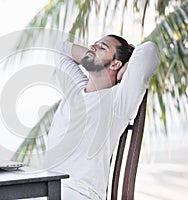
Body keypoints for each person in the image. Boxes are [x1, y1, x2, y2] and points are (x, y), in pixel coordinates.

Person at [44, 35, 160, 200]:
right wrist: (93, 55)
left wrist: (124, 71)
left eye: (102, 47)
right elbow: (60, 49)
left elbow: (149, 51)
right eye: (94, 45)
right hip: (46, 187)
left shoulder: (118, 101)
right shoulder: (75, 88)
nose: (92, 47)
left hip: (79, 193)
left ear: (115, 64)